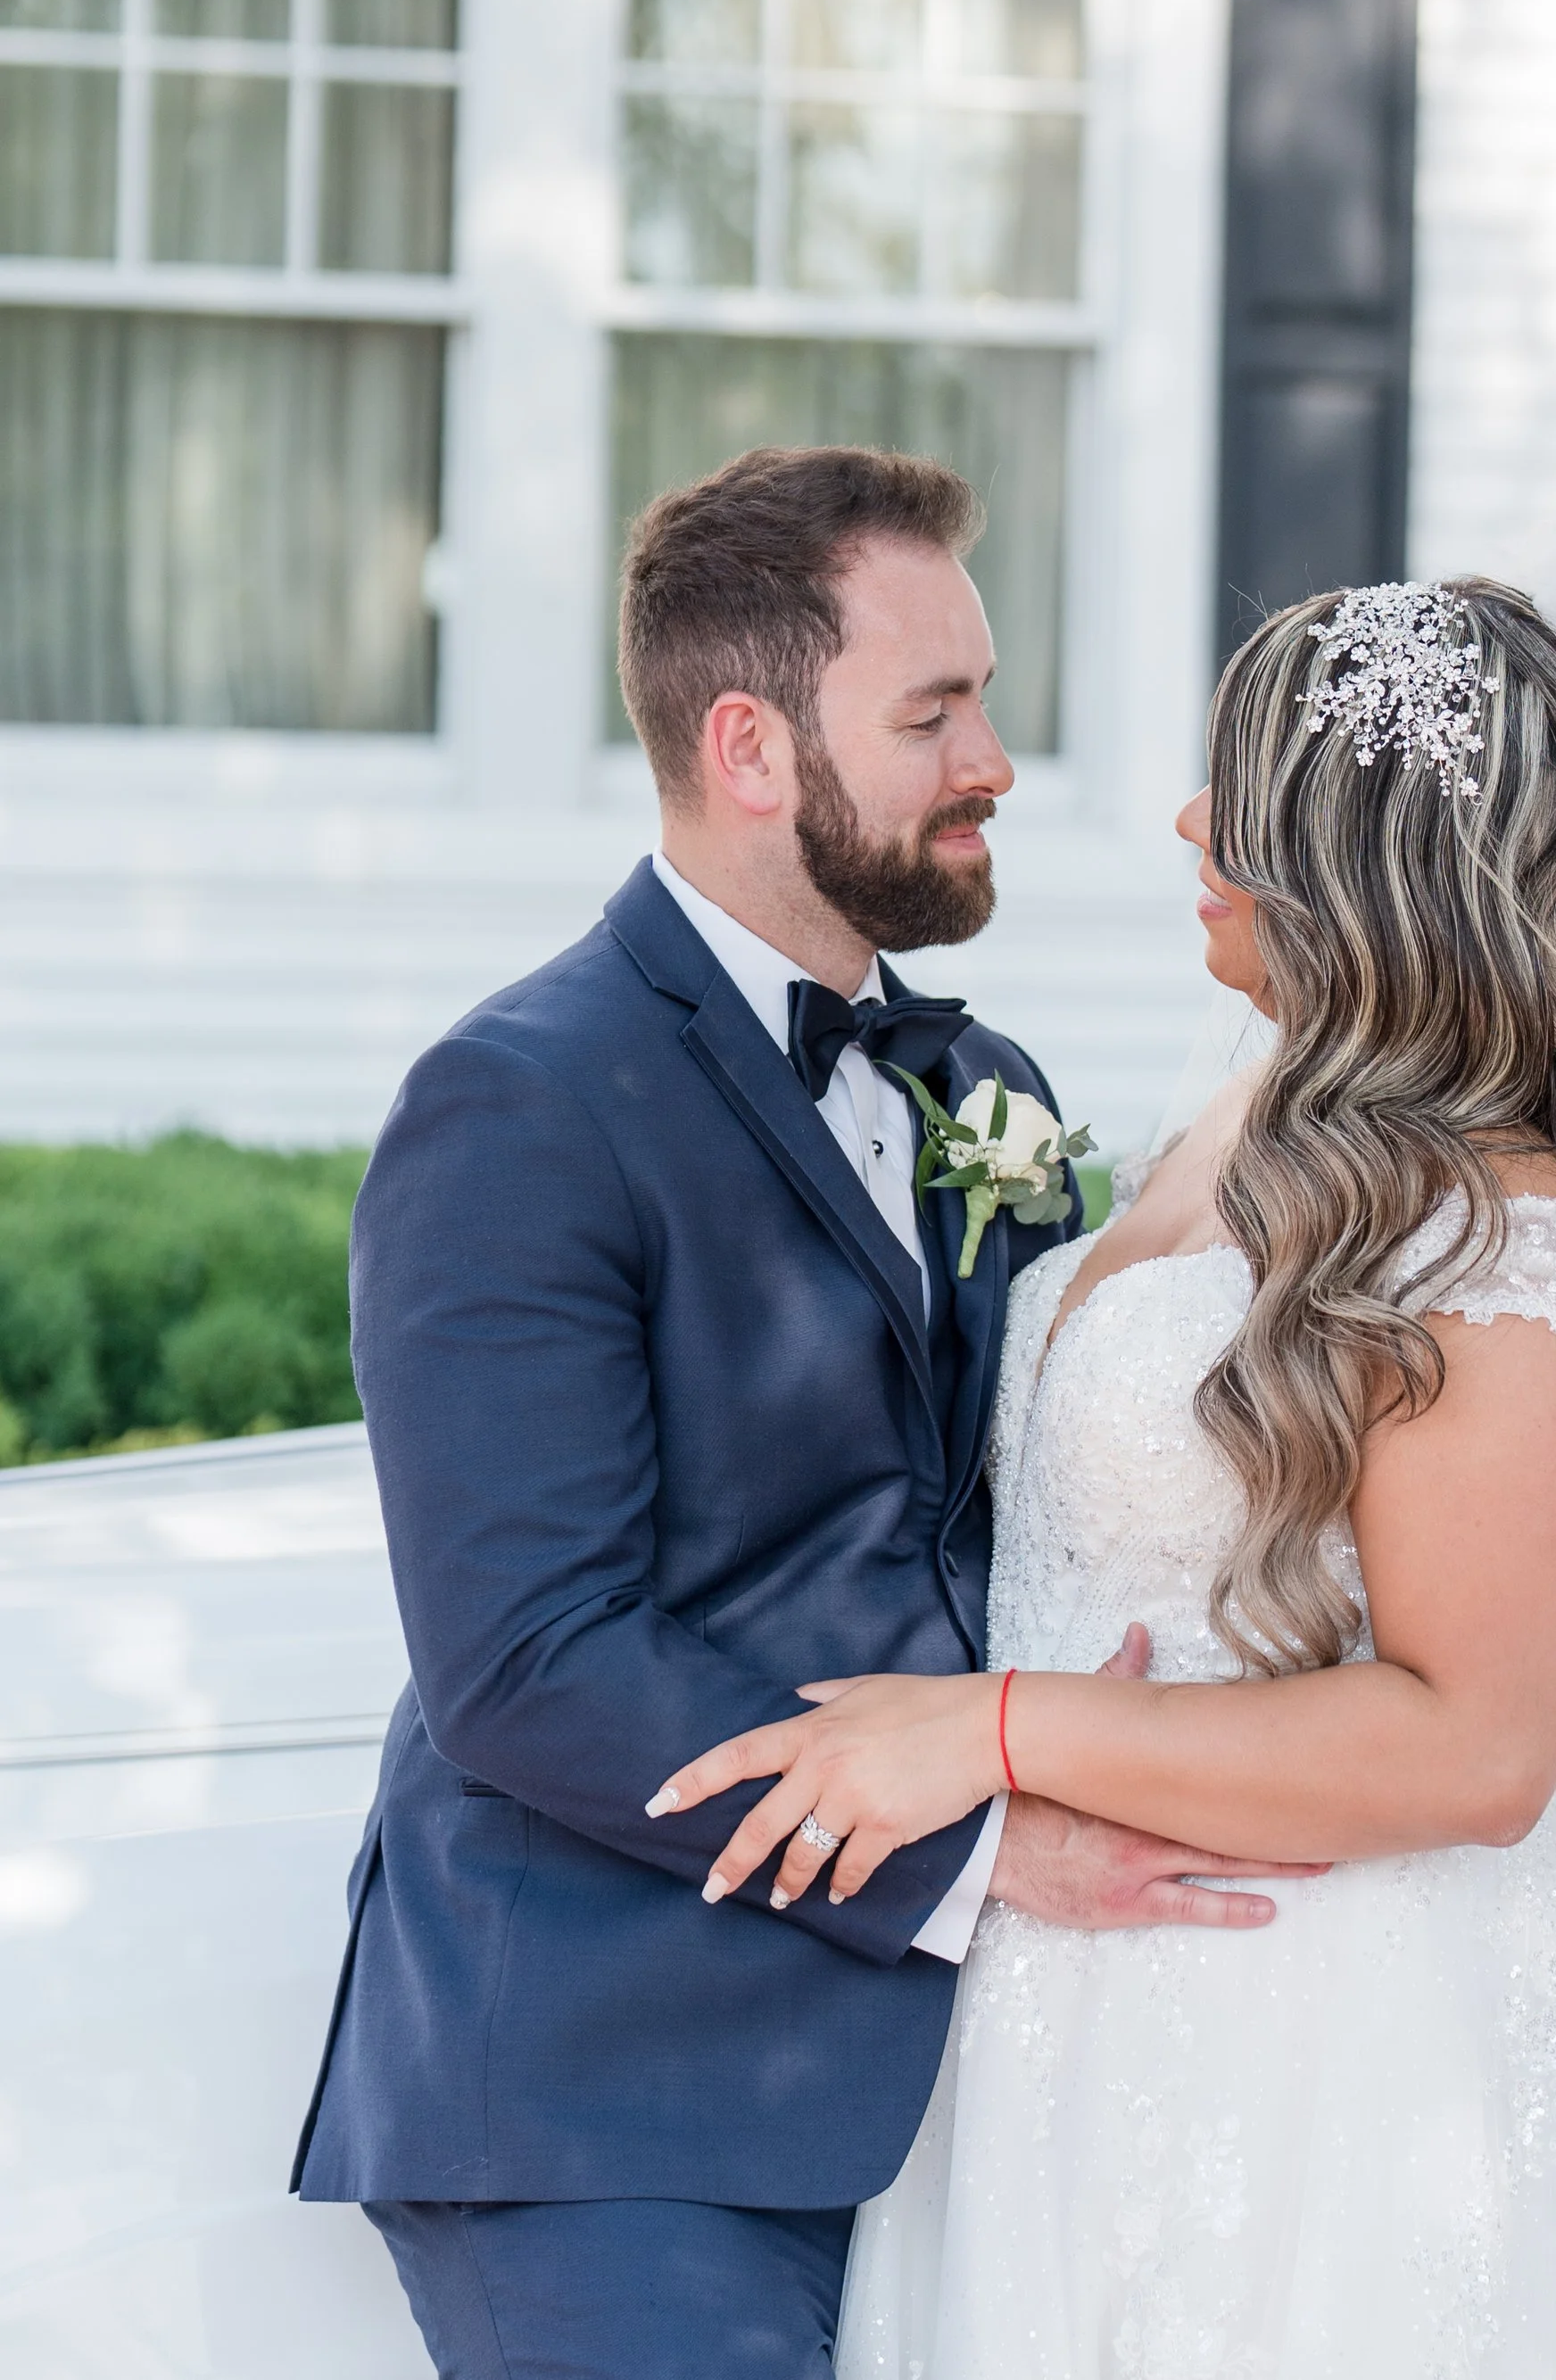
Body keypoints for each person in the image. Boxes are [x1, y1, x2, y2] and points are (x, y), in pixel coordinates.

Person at [650, 572, 1556, 2376]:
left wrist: (981, 1728)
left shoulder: (1499, 1230)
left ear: (1377, 855)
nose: (1190, 821)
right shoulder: (1258, 1114)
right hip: (1072, 2036)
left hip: (1339, 2071)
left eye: (1244, 787)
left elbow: (1471, 1744)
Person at [291, 446, 1309, 2380]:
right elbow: (526, 1660)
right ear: (749, 747)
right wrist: (989, 1842)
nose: (995, 756)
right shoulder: (516, 1102)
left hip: (967, 2080)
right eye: (933, 713)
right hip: (613, 2095)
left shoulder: (976, 1080)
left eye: (984, 697)